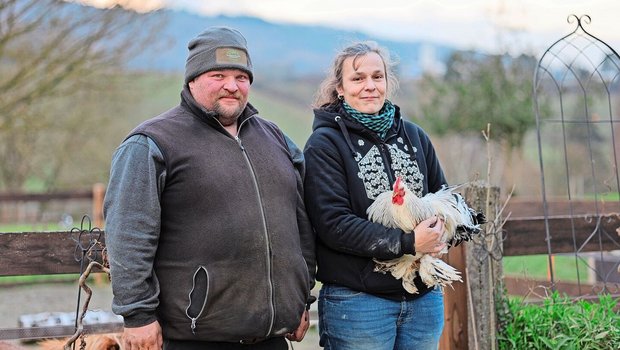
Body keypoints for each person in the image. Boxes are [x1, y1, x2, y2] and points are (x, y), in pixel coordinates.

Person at [103, 26, 316, 350]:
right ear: (192, 79)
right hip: (195, 339)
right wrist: (138, 315)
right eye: (218, 75)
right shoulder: (152, 143)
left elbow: (301, 226)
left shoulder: (276, 140)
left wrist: (302, 298)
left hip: (271, 340)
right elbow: (128, 236)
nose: (232, 86)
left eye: (241, 77)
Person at [303, 41, 448, 350]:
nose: (370, 86)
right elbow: (333, 223)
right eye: (358, 79)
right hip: (359, 302)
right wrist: (409, 243)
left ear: (387, 82)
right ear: (340, 88)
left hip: (423, 297)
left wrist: (443, 234)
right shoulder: (325, 145)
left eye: (377, 77)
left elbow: (442, 195)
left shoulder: (415, 137)